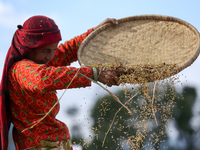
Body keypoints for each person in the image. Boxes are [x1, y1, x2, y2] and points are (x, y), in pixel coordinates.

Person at [0, 15, 128, 150]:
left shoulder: (42, 60)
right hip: (38, 145)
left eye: (53, 50)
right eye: (46, 51)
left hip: (56, 141)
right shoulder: (20, 69)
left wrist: (94, 33)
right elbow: (44, 79)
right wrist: (93, 73)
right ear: (30, 47)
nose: (50, 56)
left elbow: (67, 50)